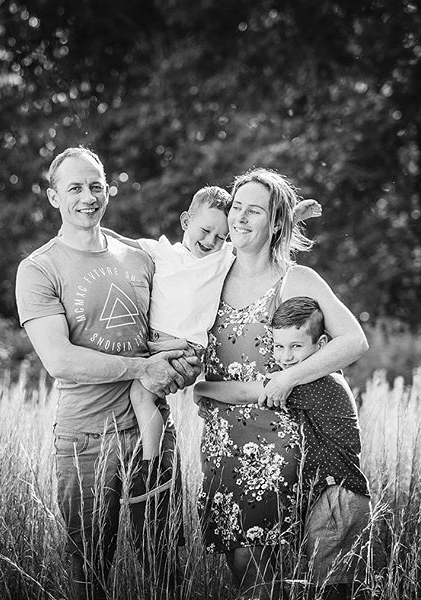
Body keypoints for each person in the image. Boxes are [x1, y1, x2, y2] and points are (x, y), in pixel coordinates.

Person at [14, 146, 201, 599]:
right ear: (53, 197)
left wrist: (184, 365)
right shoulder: (39, 268)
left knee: (164, 568)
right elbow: (60, 360)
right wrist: (143, 367)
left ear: (108, 190)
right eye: (74, 187)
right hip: (85, 442)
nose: (87, 197)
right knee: (91, 569)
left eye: (96, 186)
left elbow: (168, 333)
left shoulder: (138, 256)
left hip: (151, 436)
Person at [192, 168, 368, 600]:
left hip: (287, 445)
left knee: (302, 578)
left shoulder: (296, 279)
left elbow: (353, 341)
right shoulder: (208, 275)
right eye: (236, 207)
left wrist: (289, 375)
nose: (240, 218)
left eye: (255, 211)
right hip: (225, 442)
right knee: (246, 575)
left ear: (275, 224)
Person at [104, 186, 320, 477]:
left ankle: (149, 465)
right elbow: (122, 241)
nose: (210, 241)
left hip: (184, 349)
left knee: (140, 396)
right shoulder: (163, 251)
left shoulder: (222, 260)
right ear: (185, 222)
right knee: (142, 395)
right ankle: (149, 459)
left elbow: (265, 235)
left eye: (221, 237)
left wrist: (296, 215)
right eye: (205, 231)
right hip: (153, 346)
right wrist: (92, 231)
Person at [271, 297, 371, 600]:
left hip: (337, 498)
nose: (286, 357)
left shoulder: (316, 382)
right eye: (279, 346)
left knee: (332, 589)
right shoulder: (319, 378)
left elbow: (251, 393)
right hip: (334, 495)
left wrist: (201, 388)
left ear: (322, 342)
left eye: (296, 346)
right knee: (333, 584)